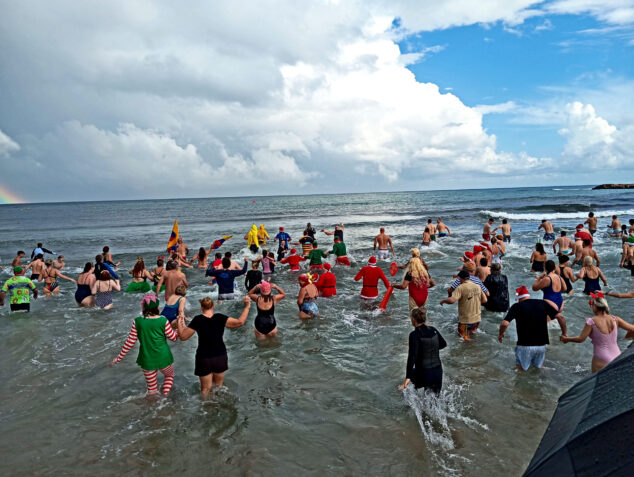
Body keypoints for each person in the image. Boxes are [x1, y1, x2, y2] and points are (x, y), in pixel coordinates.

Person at [177, 296, 250, 396]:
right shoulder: (220, 317)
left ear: (201, 307)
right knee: (219, 387)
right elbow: (240, 322)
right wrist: (247, 307)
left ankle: (205, 411)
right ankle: (218, 408)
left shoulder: (197, 320)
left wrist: (179, 321)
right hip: (220, 356)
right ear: (213, 306)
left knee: (205, 390)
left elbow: (183, 337)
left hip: (204, 358)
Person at [112, 293, 178, 396]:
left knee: (152, 390)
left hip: (147, 360)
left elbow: (130, 342)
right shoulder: (163, 320)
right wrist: (177, 331)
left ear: (144, 308)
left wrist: (118, 358)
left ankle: (152, 407)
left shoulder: (137, 321)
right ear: (157, 307)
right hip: (164, 358)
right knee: (169, 376)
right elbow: (173, 338)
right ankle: (165, 399)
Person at [560, 292, 634, 372]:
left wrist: (566, 339)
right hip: (617, 355)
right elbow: (632, 328)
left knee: (597, 382)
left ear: (595, 306)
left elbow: (581, 339)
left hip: (601, 357)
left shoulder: (591, 322)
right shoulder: (616, 319)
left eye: (591, 304)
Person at [498, 286, 567, 371]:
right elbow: (560, 317)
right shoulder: (542, 303)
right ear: (528, 296)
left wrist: (500, 335)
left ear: (519, 299)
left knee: (520, 371)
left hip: (524, 346)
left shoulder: (517, 306)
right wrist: (564, 333)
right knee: (538, 369)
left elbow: (504, 323)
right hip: (541, 346)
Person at [398, 308, 446, 394]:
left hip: (424, 373)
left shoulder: (414, 335)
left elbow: (412, 356)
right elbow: (443, 344)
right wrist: (430, 349)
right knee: (434, 401)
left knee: (408, 390)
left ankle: (411, 406)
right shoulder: (433, 330)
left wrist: (408, 377)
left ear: (413, 320)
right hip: (438, 372)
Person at [440, 270, 487, 341]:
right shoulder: (477, 286)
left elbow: (452, 300)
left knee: (463, 339)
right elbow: (484, 300)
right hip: (477, 319)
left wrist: (444, 300)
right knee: (472, 335)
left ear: (461, 278)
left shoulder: (461, 287)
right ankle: (474, 350)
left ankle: (469, 350)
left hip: (465, 320)